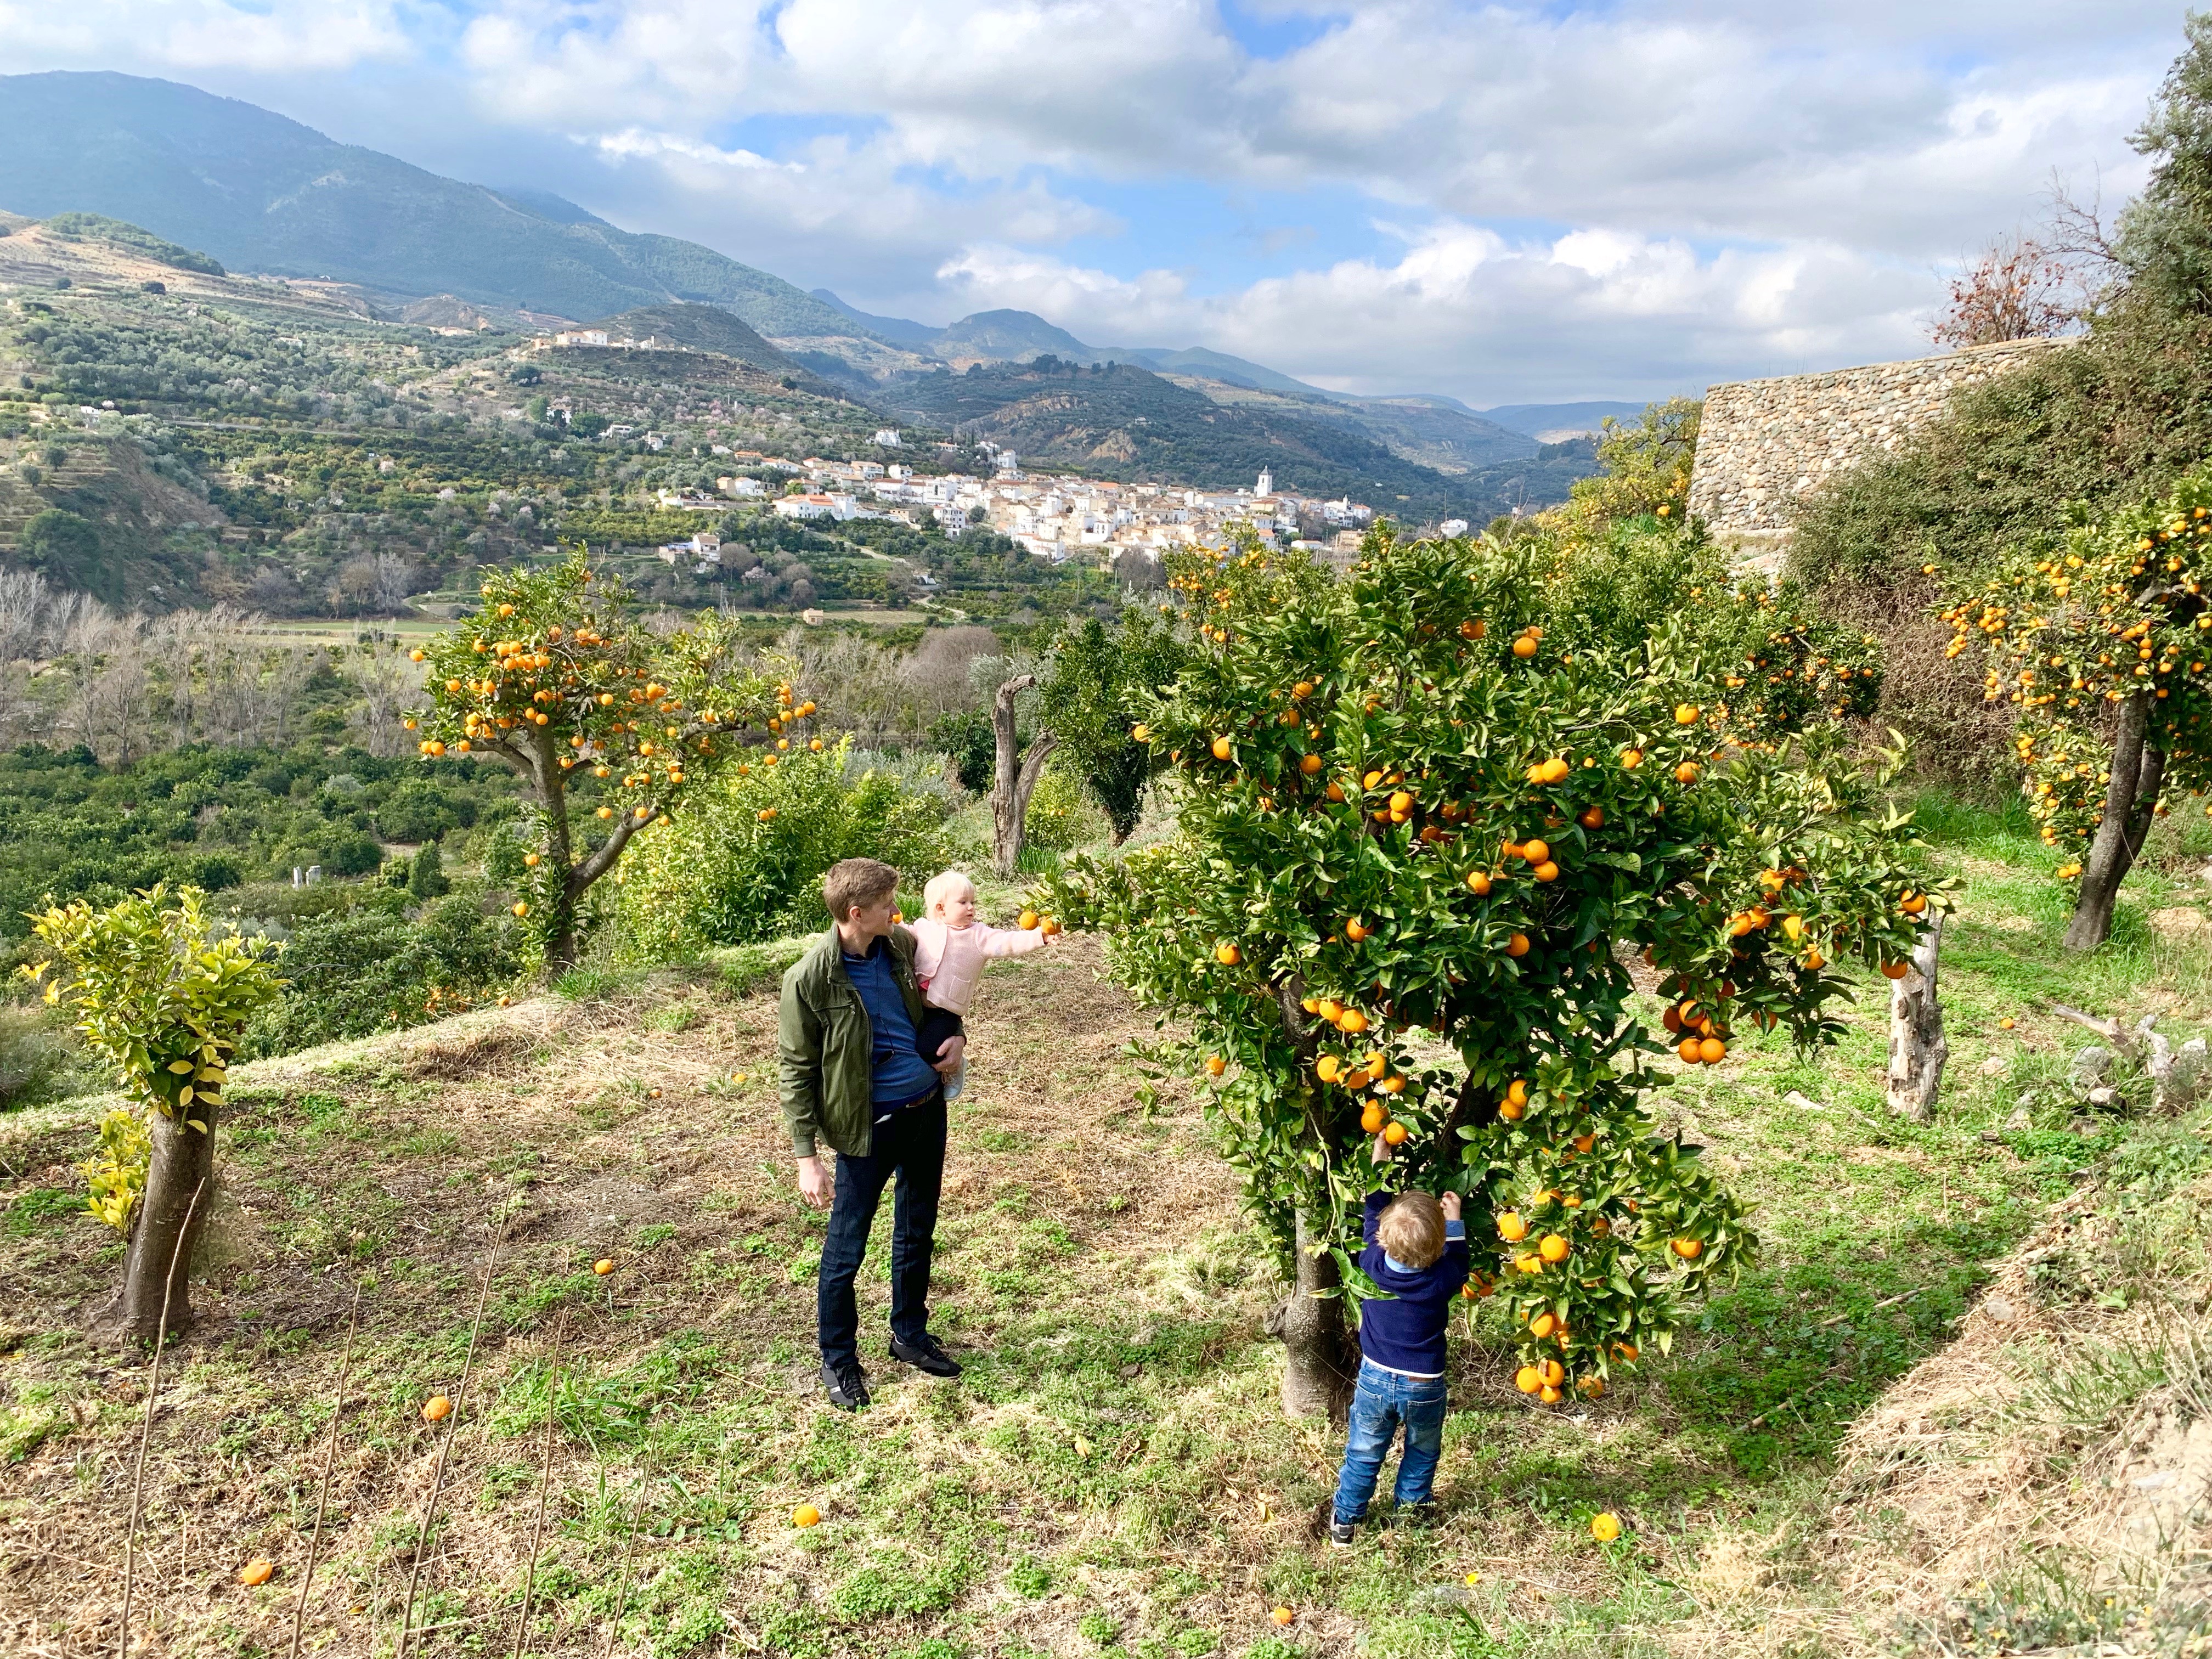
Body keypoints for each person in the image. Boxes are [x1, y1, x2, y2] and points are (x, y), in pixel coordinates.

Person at [779, 857, 965, 1412]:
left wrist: (956, 1037)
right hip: (868, 1129)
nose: (896, 910)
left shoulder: (902, 948)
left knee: (917, 1230)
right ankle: (838, 1359)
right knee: (846, 1249)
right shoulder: (810, 979)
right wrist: (805, 1156)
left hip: (926, 1110)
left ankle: (909, 1335)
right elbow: (796, 1069)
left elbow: (942, 1002)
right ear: (856, 913)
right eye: (887, 903)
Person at [1329, 1141, 1469, 1545]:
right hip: (1425, 1383)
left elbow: (1374, 1208)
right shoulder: (1441, 1279)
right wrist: (1454, 1220)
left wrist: (1380, 1156)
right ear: (1437, 1249)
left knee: (1365, 1450)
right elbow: (1459, 1262)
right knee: (1422, 1451)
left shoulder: (1369, 1263)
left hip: (1375, 1377)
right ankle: (1410, 1515)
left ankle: (1345, 1521)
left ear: (1383, 1240)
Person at [906, 869, 1048, 1100]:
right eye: (963, 902)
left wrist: (1039, 936)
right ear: (941, 908)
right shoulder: (924, 928)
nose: (971, 908)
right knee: (915, 1045)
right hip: (919, 1006)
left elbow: (1007, 942)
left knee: (928, 1049)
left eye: (973, 902)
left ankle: (955, 1067)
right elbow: (905, 935)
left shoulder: (978, 935)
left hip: (947, 1010)